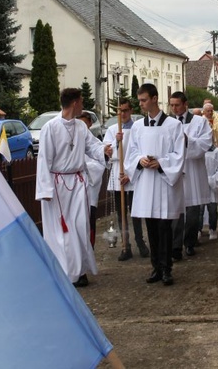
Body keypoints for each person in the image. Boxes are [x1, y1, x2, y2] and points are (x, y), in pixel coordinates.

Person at [36, 88, 110, 287]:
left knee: (79, 227)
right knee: (61, 232)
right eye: (82, 101)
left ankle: (79, 271)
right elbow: (43, 160)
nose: (83, 105)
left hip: (77, 185)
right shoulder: (50, 128)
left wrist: (105, 149)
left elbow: (92, 146)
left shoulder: (80, 127)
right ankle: (63, 271)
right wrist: (45, 190)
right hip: (57, 186)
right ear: (75, 103)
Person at [124, 83, 185, 286]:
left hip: (163, 181)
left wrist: (161, 163)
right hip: (146, 183)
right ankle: (156, 267)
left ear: (154, 98)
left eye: (143, 100)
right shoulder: (138, 127)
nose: (140, 104)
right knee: (151, 226)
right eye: (139, 100)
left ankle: (167, 268)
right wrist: (140, 160)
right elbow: (131, 152)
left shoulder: (174, 126)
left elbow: (179, 154)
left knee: (164, 226)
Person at [103, 97, 149, 260]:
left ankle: (140, 241)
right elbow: (107, 152)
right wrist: (116, 142)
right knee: (121, 213)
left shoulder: (137, 128)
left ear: (130, 111)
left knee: (136, 211)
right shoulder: (112, 129)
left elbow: (140, 149)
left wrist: (131, 172)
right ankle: (125, 245)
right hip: (118, 173)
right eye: (119, 111)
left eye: (125, 110)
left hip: (133, 173)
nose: (122, 113)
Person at [169, 91, 213, 259]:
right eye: (171, 105)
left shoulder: (199, 122)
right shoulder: (169, 123)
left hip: (193, 169)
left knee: (193, 210)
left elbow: (206, 143)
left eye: (177, 105)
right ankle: (175, 246)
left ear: (185, 104)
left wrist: (188, 140)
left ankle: (189, 242)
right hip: (176, 170)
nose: (174, 108)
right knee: (177, 211)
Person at [78, 111, 107, 248]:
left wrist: (83, 169)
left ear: (90, 124)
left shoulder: (93, 141)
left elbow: (99, 163)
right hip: (75, 189)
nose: (82, 126)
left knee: (89, 221)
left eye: (85, 123)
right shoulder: (74, 138)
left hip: (89, 190)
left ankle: (90, 247)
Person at [201, 143, 218, 240]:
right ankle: (198, 229)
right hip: (200, 185)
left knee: (212, 209)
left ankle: (212, 228)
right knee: (199, 210)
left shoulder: (217, 152)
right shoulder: (197, 152)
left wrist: (211, 180)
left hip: (211, 185)